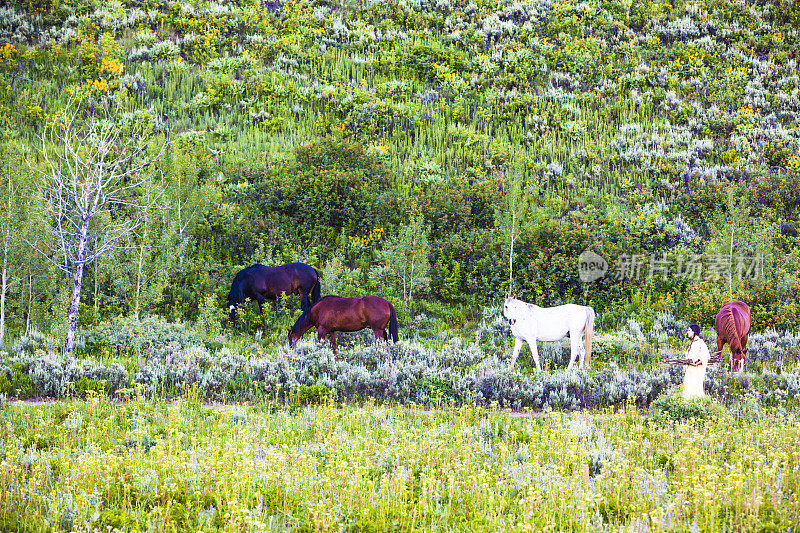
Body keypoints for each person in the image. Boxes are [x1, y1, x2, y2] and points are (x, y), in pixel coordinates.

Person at [682, 323, 710, 399]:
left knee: (695, 390)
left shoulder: (700, 343)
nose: (688, 332)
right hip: (691, 370)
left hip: (695, 371)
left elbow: (706, 356)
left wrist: (696, 363)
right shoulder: (693, 343)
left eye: (689, 330)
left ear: (694, 331)